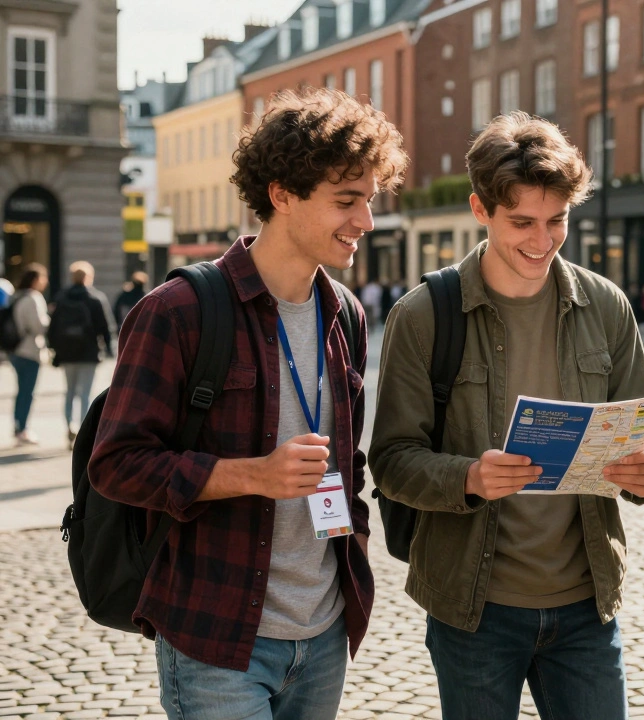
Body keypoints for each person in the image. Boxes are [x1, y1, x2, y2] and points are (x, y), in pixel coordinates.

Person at [89, 88, 407, 720]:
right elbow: (116, 464)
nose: (365, 221)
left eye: (369, 200)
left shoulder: (345, 314)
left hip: (323, 632)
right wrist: (253, 476)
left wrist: (355, 542)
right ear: (281, 193)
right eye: (347, 201)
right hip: (216, 635)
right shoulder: (176, 311)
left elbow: (349, 463)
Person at [370, 111, 644, 720]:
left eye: (557, 220)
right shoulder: (425, 314)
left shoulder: (605, 305)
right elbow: (393, 460)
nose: (542, 240)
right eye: (522, 222)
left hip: (586, 602)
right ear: (481, 210)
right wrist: (469, 478)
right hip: (473, 608)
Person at [48, 261, 115, 447]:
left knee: (69, 391)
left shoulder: (61, 298)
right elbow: (106, 327)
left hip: (67, 353)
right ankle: (83, 431)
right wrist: (110, 349)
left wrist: (54, 349)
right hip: (89, 353)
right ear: (89, 277)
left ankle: (70, 424)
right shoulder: (95, 298)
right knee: (85, 393)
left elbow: (53, 328)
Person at [9, 264, 49, 446]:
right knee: (27, 391)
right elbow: (38, 327)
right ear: (35, 280)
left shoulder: (15, 297)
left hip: (14, 350)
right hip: (29, 350)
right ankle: (22, 429)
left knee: (21, 391)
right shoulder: (34, 298)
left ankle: (18, 425)